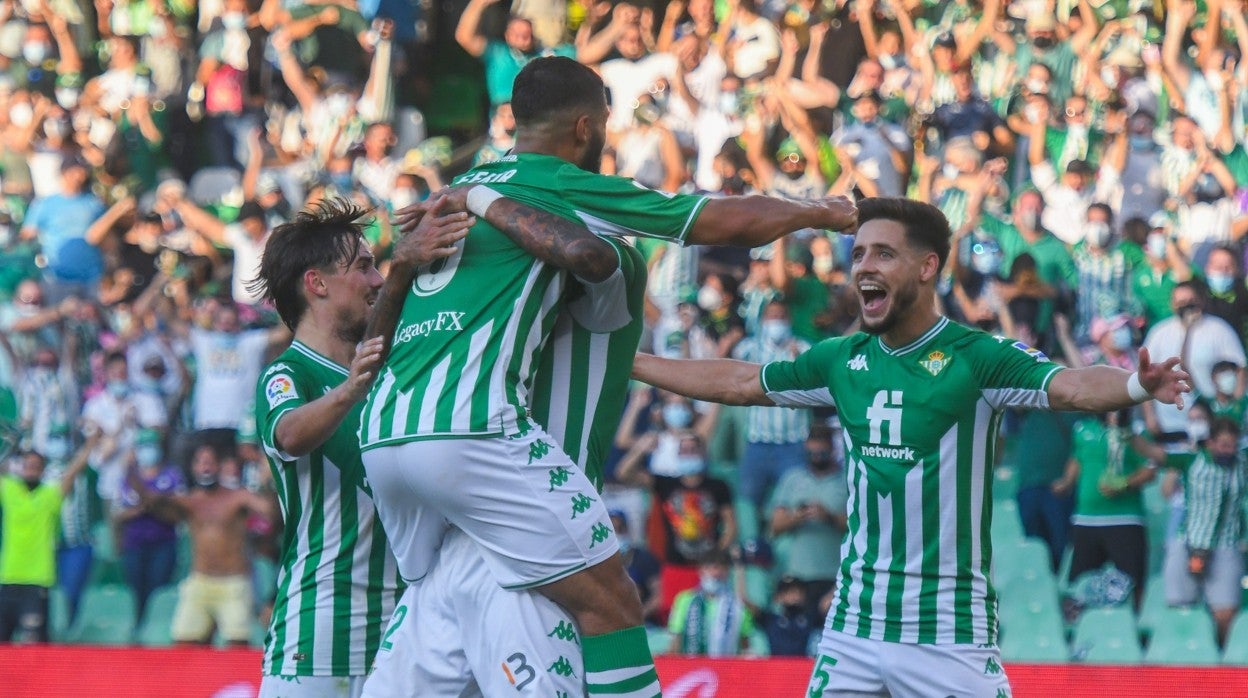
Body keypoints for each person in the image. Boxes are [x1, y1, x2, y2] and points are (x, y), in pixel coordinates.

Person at [358, 55, 856, 698]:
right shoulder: (562, 193)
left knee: (444, 641)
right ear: (587, 128)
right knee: (611, 601)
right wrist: (818, 212)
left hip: (390, 437)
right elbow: (715, 219)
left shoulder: (453, 195)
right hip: (481, 438)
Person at [631, 197, 1191, 695]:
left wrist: (1136, 385)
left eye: (882, 255)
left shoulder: (976, 356)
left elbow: (1068, 386)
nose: (864, 268)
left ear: (927, 268)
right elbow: (739, 381)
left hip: (948, 630)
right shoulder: (840, 359)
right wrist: (631, 362)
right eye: (859, 254)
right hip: (854, 627)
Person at [247, 198, 474, 695]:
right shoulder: (289, 374)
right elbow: (288, 434)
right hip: (323, 626)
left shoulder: (390, 372)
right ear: (317, 283)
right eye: (364, 267)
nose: (375, 280)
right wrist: (351, 391)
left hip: (412, 626)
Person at [128, 439, 276, 646]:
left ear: (219, 466)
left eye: (210, 462)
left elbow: (270, 511)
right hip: (200, 580)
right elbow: (152, 501)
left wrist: (268, 481)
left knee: (237, 645)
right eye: (200, 462)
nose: (205, 466)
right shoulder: (189, 501)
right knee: (184, 645)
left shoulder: (239, 497)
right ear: (193, 467)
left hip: (233, 583)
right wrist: (131, 471)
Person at [1055, 409, 1157, 610]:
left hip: (1125, 518)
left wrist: (1124, 484)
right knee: (1079, 582)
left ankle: (1136, 625)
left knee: (1132, 579)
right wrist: (1067, 482)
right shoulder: (1083, 428)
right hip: (1087, 518)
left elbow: (1150, 469)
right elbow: (1077, 458)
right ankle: (1076, 629)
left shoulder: (1135, 432)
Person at [1161, 417, 1247, 646]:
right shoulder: (1190, 459)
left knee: (1226, 611)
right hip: (1189, 538)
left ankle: (1217, 654)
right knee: (1179, 604)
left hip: (1226, 542)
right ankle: (1183, 652)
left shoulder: (1242, 462)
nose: (1228, 450)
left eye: (1232, 444)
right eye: (1223, 444)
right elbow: (1157, 459)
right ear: (1210, 442)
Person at [0, 438, 92, 642]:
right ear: (21, 467)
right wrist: (12, 449)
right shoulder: (9, 490)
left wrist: (90, 445)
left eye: (36, 466)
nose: (31, 470)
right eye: (27, 466)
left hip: (38, 579)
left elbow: (73, 472)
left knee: (35, 644)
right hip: (9, 578)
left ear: (42, 470)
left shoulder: (50, 495)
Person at [769, 422, 849, 613]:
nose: (817, 458)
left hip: (834, 573)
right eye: (812, 453)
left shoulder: (846, 479)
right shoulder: (793, 479)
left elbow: (859, 526)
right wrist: (797, 517)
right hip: (797, 574)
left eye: (821, 453)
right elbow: (775, 526)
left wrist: (828, 517)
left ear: (831, 449)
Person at [666, 550, 754, 656]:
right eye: (710, 568)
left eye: (721, 568)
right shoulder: (685, 600)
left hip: (726, 668)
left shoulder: (737, 605)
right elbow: (676, 637)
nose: (715, 573)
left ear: (727, 572)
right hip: (691, 668)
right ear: (701, 571)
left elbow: (745, 646)